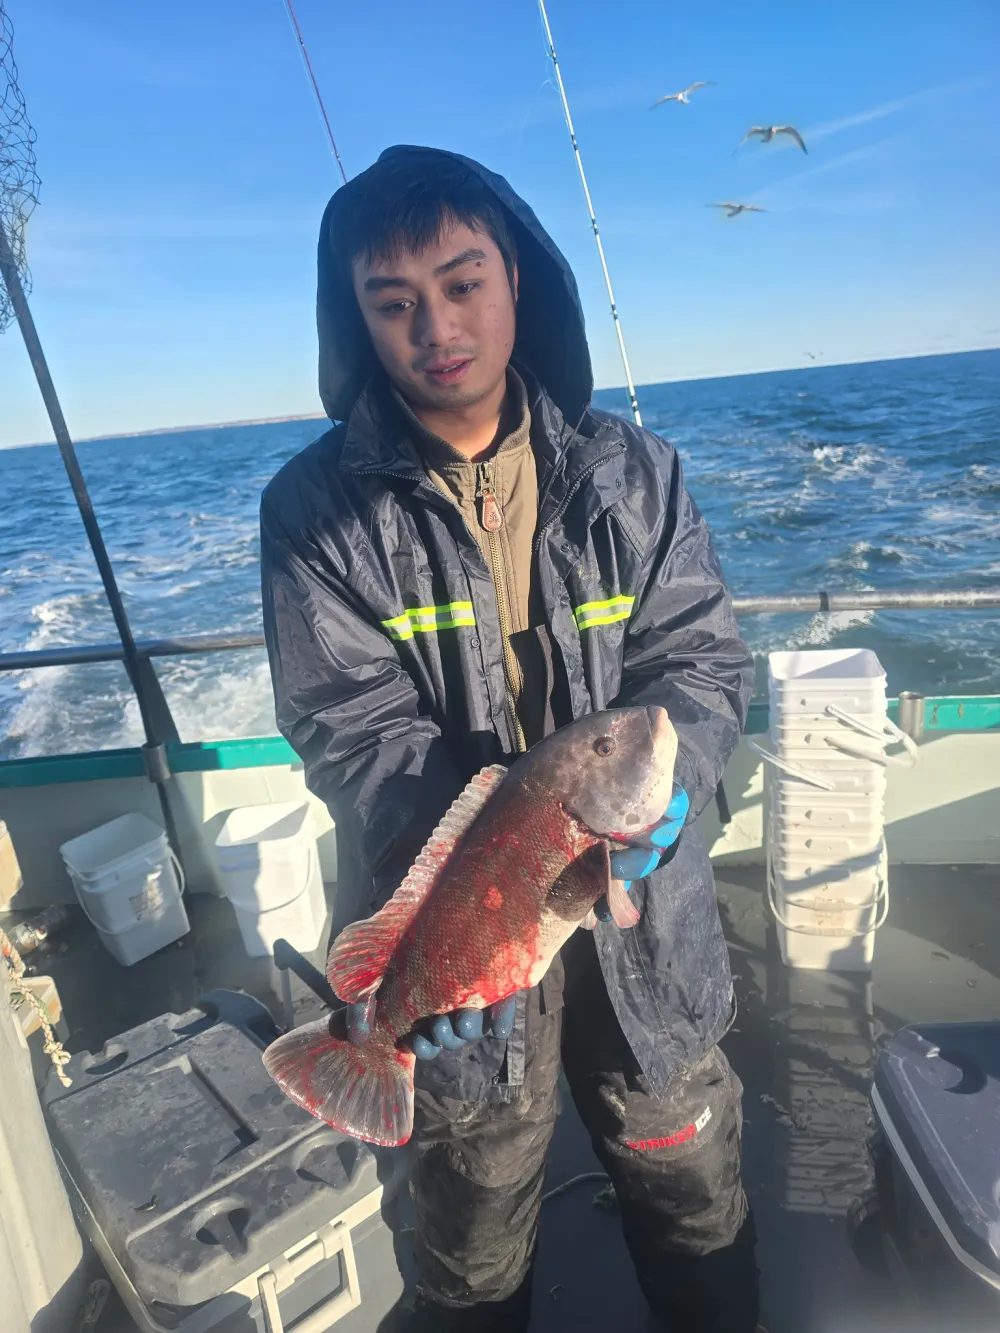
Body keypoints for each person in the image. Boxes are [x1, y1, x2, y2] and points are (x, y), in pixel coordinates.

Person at [261, 145, 759, 1332]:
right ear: (359, 322)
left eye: (462, 279)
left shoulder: (638, 472)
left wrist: (675, 778)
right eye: (393, 302)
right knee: (471, 1247)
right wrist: (452, 920)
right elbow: (349, 728)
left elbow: (697, 663)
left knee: (693, 1200)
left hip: (651, 929)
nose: (435, 323)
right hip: (460, 938)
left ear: (518, 280)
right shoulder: (312, 510)